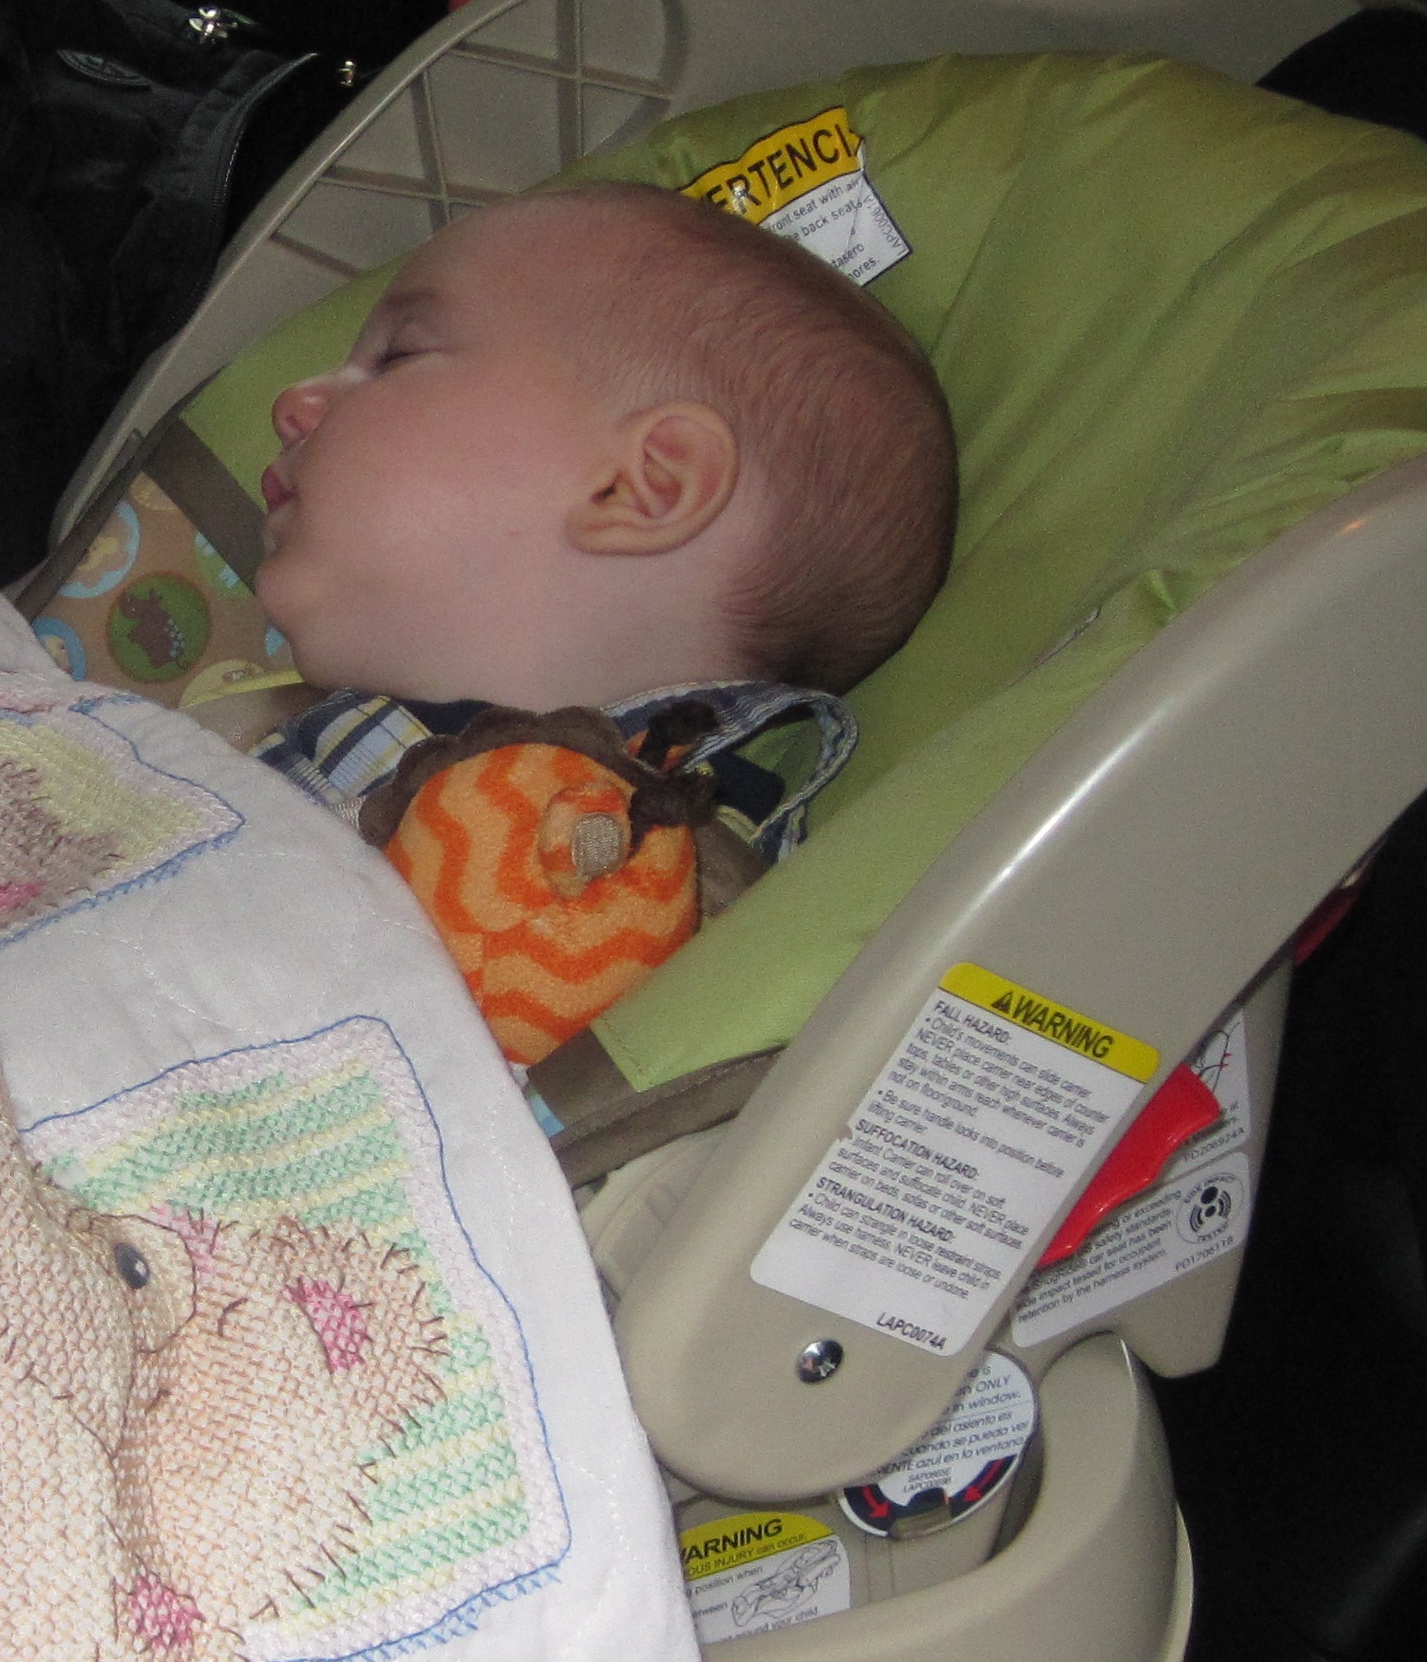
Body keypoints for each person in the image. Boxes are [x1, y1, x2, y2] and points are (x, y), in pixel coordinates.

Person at [244, 182, 957, 1064]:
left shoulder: (648, 890)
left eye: (397, 357)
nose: (292, 403)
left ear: (640, 487)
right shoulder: (279, 726)